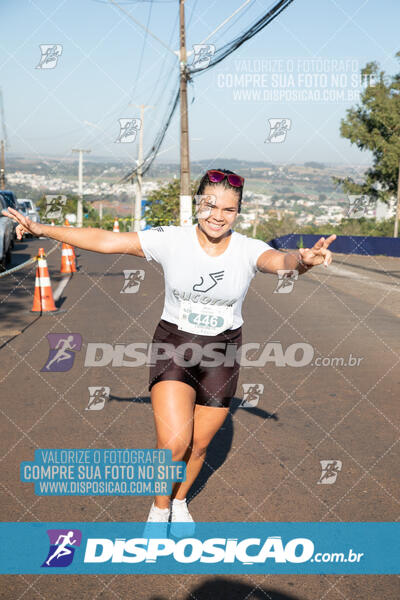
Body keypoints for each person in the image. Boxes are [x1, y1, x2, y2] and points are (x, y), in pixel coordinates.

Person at [2, 168, 336, 528]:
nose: (217, 216)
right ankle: (159, 511)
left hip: (222, 353)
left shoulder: (248, 249)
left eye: (228, 209)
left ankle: (179, 501)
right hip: (174, 345)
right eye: (210, 205)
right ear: (197, 204)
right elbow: (105, 240)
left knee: (199, 447)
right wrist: (42, 229)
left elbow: (281, 262)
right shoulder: (171, 240)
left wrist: (302, 262)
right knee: (175, 441)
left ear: (238, 213)